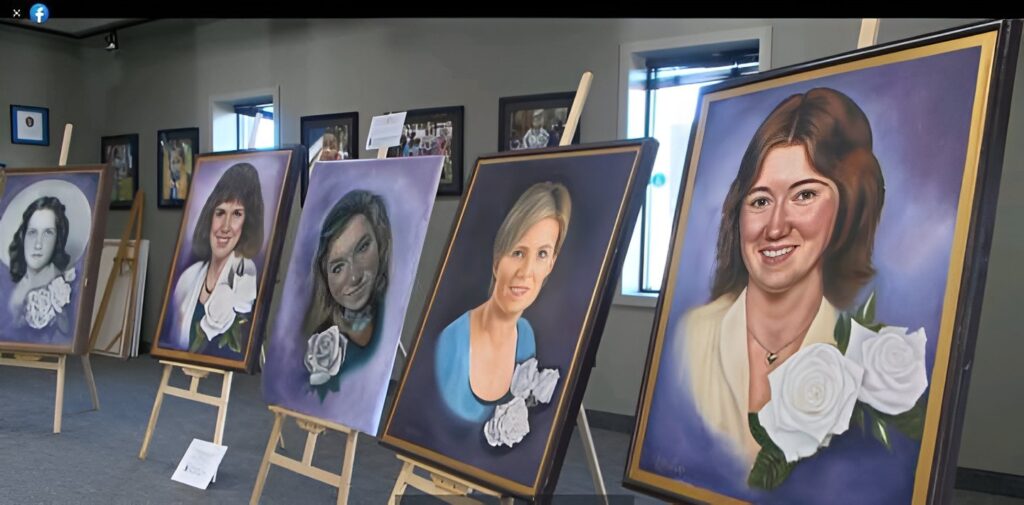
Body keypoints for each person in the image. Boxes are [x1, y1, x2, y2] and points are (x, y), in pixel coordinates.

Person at [680, 87, 886, 464]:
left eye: (804, 195)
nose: (775, 227)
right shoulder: (688, 340)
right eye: (760, 200)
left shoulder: (865, 363)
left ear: (849, 205)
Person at [434, 182, 572, 423]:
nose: (526, 272)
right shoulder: (452, 342)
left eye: (542, 254)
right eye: (518, 252)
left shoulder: (526, 337)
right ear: (497, 259)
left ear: (551, 264)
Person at [167, 163, 265, 358]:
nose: (225, 227)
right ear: (209, 216)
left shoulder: (246, 273)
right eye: (220, 212)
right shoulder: (189, 277)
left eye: (237, 214)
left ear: (248, 223)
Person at [302, 190, 392, 394]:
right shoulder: (320, 345)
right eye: (337, 267)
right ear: (324, 278)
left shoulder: (391, 316)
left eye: (362, 248)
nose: (354, 277)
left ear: (380, 241)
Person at [7, 196, 73, 327]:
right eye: (32, 232)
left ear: (58, 240)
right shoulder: (9, 287)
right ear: (23, 236)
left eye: (48, 233)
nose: (38, 244)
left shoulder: (64, 289)